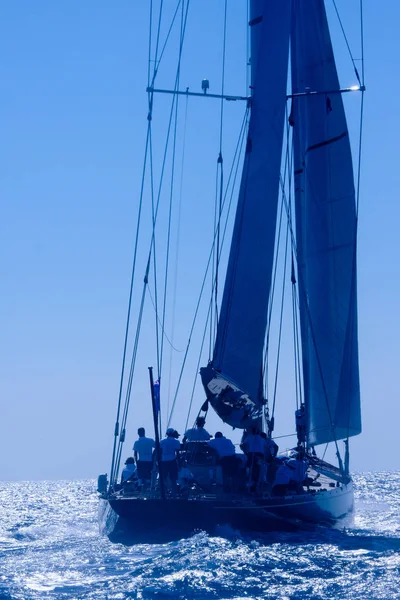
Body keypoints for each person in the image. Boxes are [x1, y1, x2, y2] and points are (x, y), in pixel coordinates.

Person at [160, 427, 181, 495]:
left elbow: (159, 451)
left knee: (163, 478)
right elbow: (177, 453)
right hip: (172, 460)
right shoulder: (176, 442)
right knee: (173, 478)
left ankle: (163, 492)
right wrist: (179, 463)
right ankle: (174, 493)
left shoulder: (162, 441)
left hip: (163, 461)